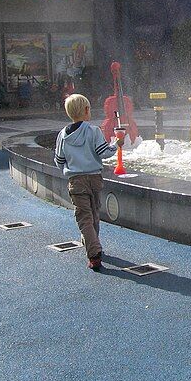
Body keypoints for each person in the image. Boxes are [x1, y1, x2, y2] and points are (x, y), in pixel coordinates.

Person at [54, 94, 121, 271]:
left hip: (76, 180)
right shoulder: (93, 131)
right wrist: (116, 143)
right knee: (94, 214)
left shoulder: (63, 134)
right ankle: (94, 247)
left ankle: (93, 250)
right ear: (85, 111)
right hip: (94, 178)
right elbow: (104, 153)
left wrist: (67, 170)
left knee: (83, 217)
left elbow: (59, 159)